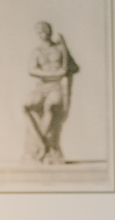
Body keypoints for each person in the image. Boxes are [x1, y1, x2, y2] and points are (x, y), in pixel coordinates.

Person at [24, 21, 78, 165]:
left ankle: (45, 148)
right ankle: (41, 145)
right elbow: (31, 70)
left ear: (48, 32)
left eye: (42, 32)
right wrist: (52, 72)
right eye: (38, 33)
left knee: (51, 106)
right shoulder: (37, 51)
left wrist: (64, 70)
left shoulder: (60, 49)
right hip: (41, 86)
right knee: (26, 106)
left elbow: (73, 67)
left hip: (56, 87)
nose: (40, 35)